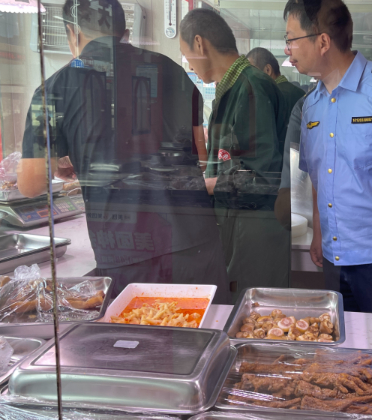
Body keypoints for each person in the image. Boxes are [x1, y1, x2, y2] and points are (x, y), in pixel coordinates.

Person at [17, 0, 229, 302]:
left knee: (145, 330)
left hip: (127, 248)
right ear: (124, 30)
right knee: (207, 328)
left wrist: (66, 159)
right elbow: (201, 155)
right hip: (194, 240)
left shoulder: (55, 89)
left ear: (73, 33)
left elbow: (31, 183)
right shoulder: (173, 71)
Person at [284, 0, 372, 313]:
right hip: (333, 257)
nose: (288, 50)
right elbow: (318, 176)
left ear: (323, 42)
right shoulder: (311, 105)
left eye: (292, 39)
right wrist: (319, 233)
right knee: (342, 340)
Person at [179, 9, 290, 302]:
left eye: (186, 54)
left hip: (254, 232)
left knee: (255, 317)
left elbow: (259, 176)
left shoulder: (251, 89)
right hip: (236, 226)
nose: (189, 64)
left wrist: (205, 185)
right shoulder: (232, 88)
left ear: (200, 44)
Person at [247, 47, 304, 125]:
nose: (249, 79)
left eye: (252, 72)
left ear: (268, 70)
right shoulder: (301, 93)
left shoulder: (269, 97)